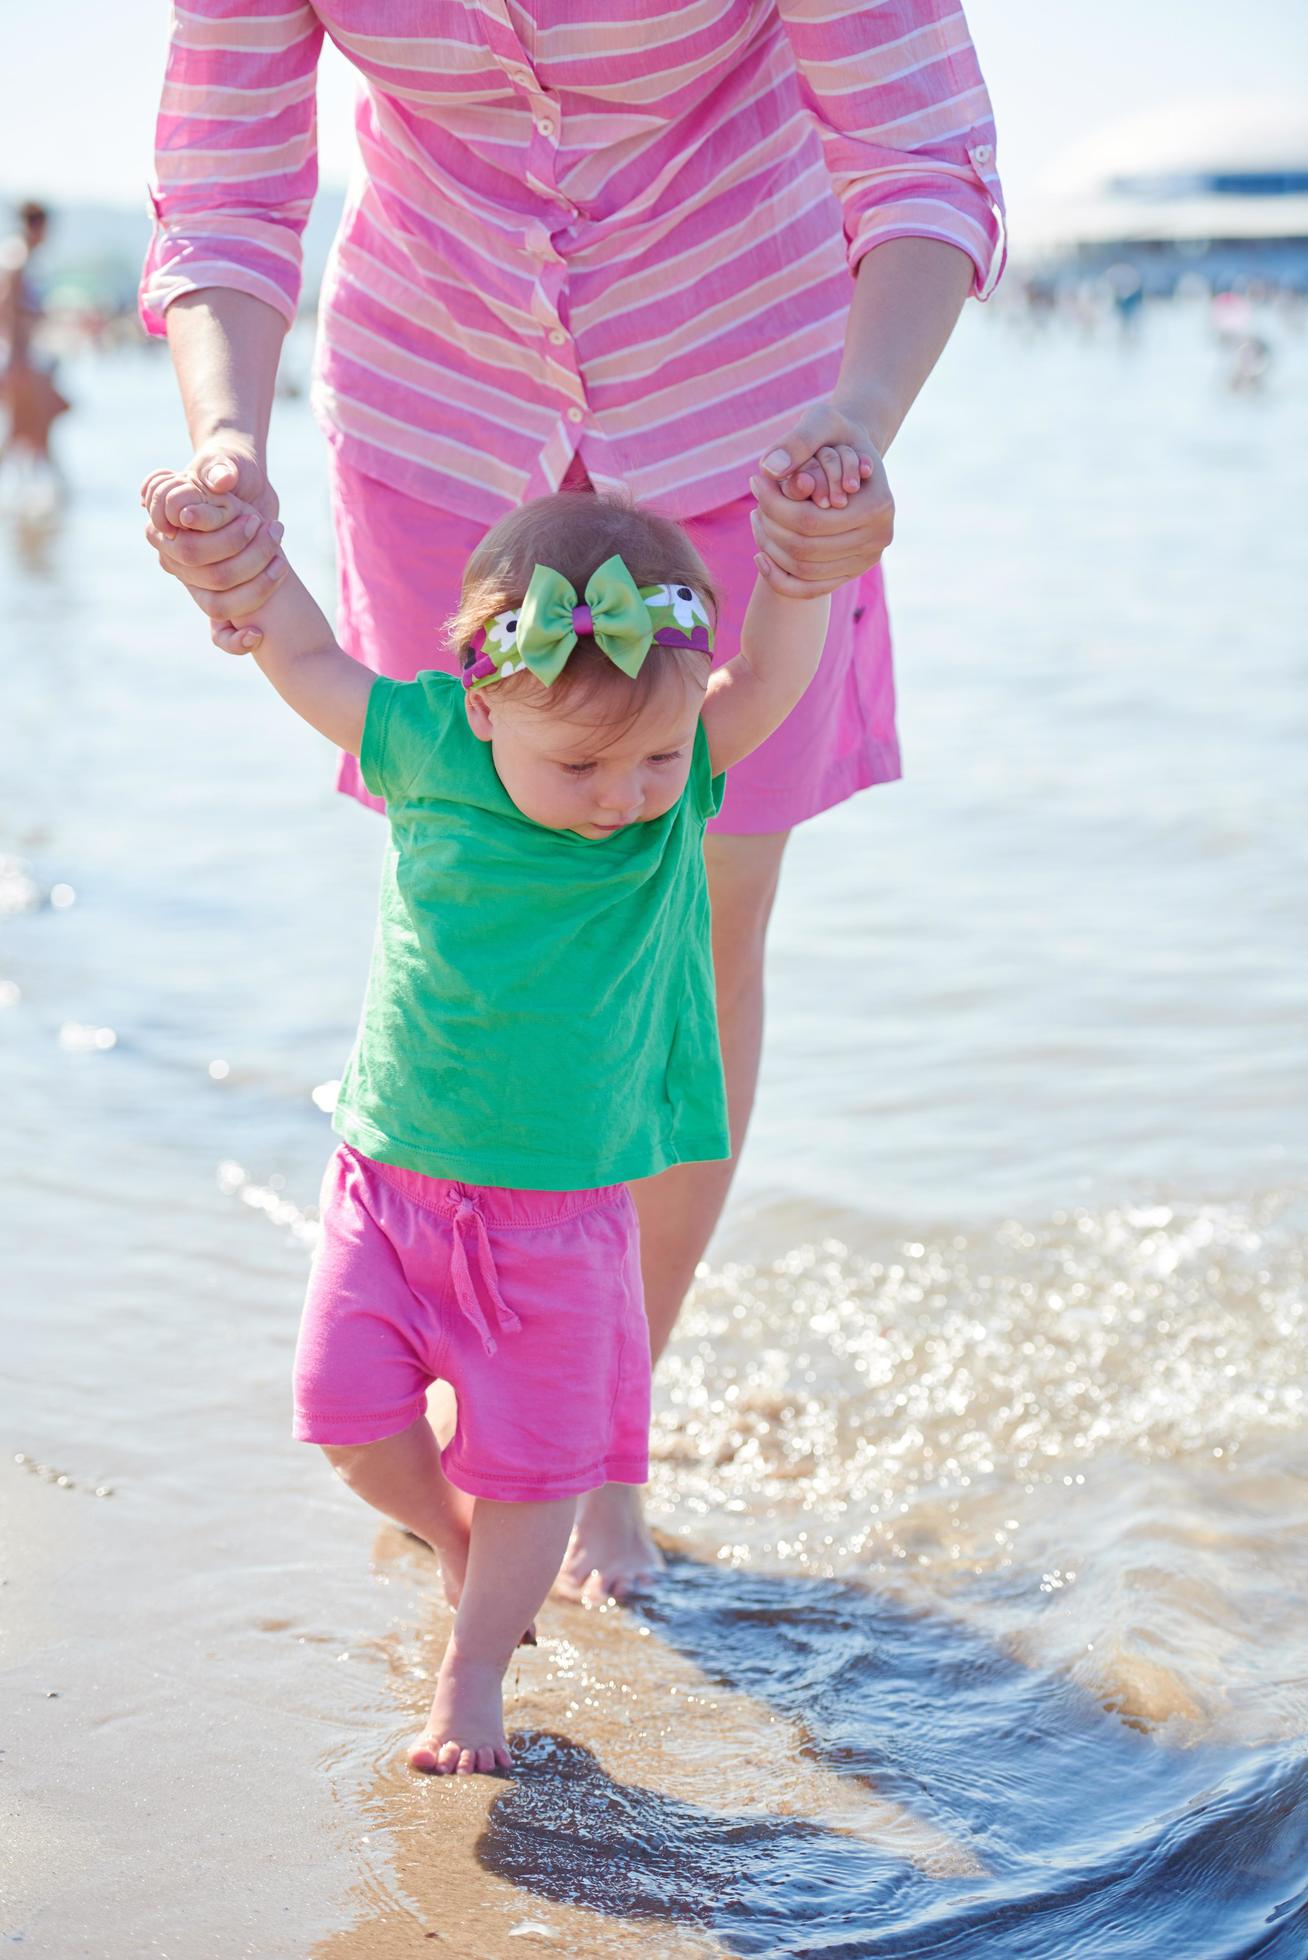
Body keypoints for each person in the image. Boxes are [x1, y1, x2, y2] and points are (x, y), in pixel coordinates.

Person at [139, 2, 1005, 1599]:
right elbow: (227, 178)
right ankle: (476, 1356)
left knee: (695, 925)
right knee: (473, 901)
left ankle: (603, 1429)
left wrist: (861, 425)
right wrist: (222, 439)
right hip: (436, 402)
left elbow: (918, 149)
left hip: (757, 414)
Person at [141, 461, 836, 1772]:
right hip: (390, 1176)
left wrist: (801, 572)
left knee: (537, 1463)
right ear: (486, 700)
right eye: (583, 761)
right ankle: (464, 1556)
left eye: (651, 755)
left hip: (563, 1215)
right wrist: (235, 554)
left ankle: (472, 1679)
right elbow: (297, 649)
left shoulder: (673, 782)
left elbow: (770, 686)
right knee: (344, 1417)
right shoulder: (422, 741)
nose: (627, 792)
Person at [0, 200, 70, 474]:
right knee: (29, 423)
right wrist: (18, 359)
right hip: (20, 356)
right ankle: (51, 490)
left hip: (24, 355)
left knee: (32, 424)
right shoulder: (17, 258)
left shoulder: (21, 256)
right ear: (38, 226)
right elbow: (6, 307)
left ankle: (46, 492)